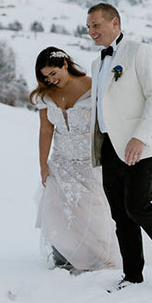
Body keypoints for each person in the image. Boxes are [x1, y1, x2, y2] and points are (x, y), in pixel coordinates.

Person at [87, 3, 152, 291]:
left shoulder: (140, 51)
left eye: (96, 26)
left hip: (143, 145)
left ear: (114, 22)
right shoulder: (97, 63)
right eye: (88, 27)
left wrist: (139, 136)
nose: (91, 32)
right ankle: (132, 275)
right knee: (120, 214)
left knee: (137, 206)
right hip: (110, 148)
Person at [30, 47, 120, 273]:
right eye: (45, 76)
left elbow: (109, 119)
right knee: (59, 209)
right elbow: (45, 130)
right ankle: (65, 256)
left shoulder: (93, 85)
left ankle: (100, 255)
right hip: (61, 160)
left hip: (90, 160)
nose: (51, 79)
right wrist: (43, 164)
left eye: (53, 73)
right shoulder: (45, 95)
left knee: (94, 210)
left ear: (65, 65)